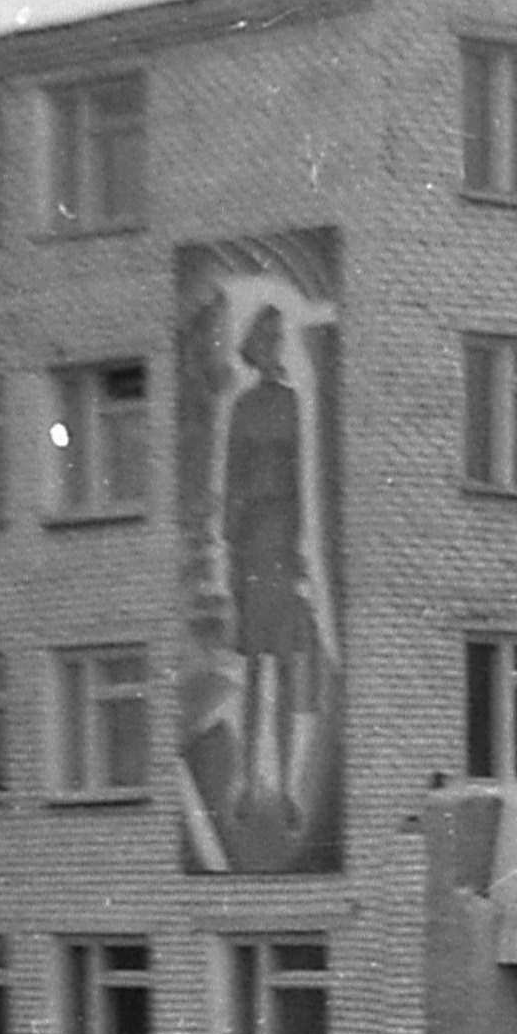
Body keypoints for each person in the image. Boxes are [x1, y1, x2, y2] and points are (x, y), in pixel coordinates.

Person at [219, 306, 316, 820]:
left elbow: (303, 481)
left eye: (281, 338)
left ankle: (286, 787)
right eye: (269, 338)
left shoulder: (293, 403)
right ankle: (246, 781)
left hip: (283, 540)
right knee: (255, 670)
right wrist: (233, 548)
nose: (276, 347)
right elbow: (230, 480)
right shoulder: (243, 406)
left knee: (285, 665)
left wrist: (301, 550)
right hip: (252, 542)